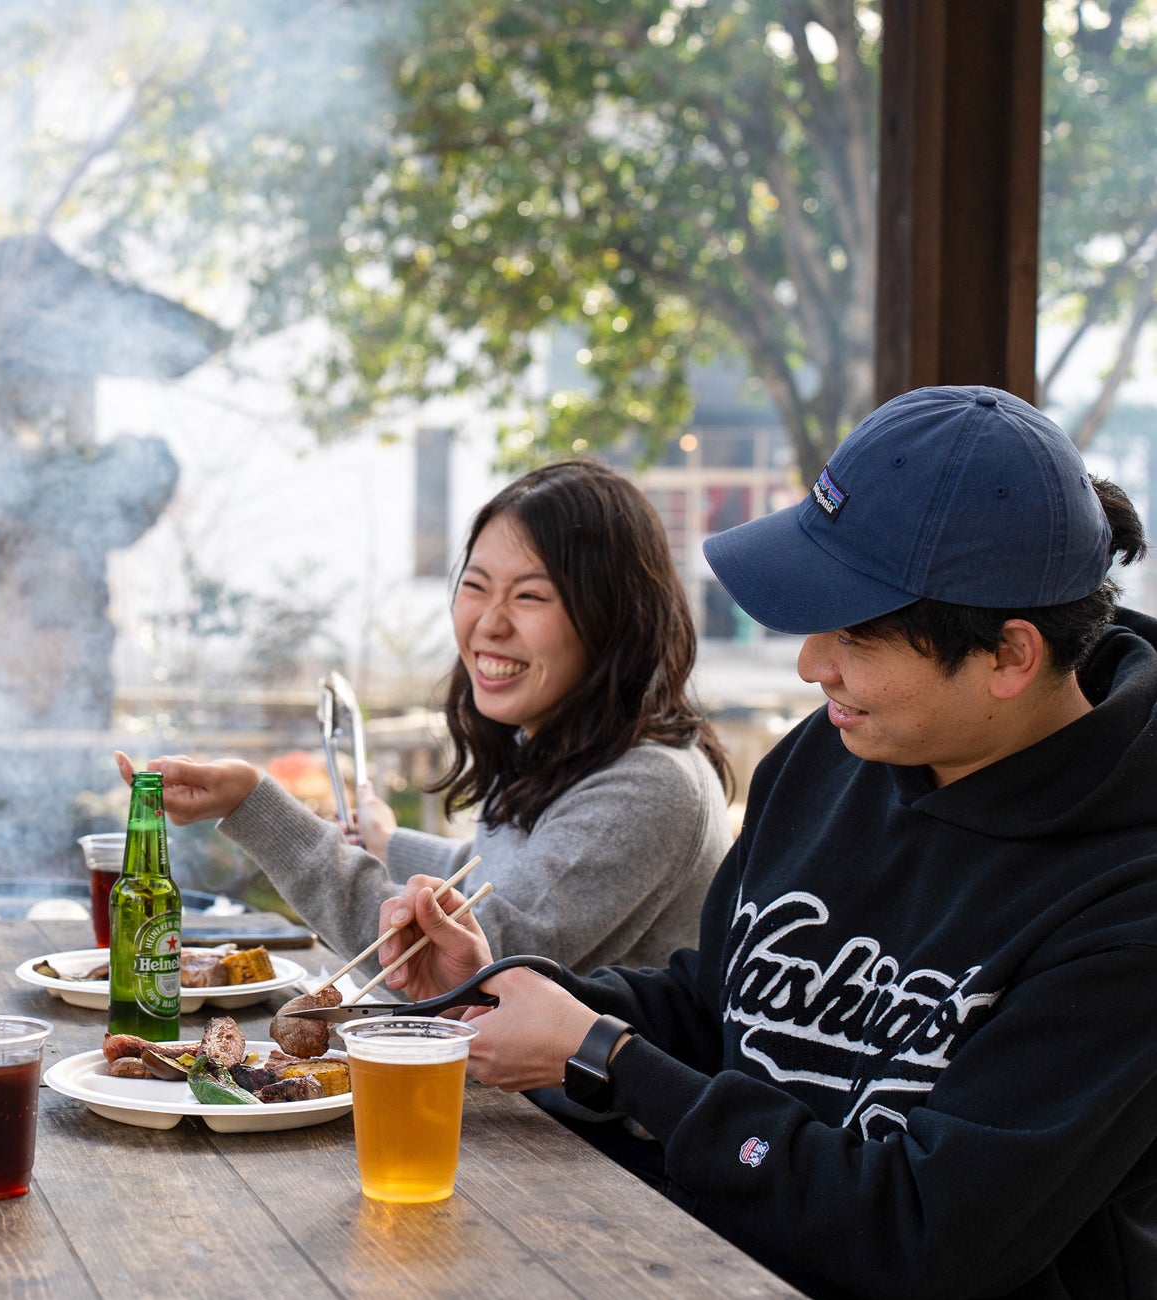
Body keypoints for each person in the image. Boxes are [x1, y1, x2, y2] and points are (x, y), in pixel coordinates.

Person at [377, 386, 1157, 1298]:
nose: (810, 663)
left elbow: (924, 1235)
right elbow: (717, 1004)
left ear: (1010, 656)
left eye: (854, 633)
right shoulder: (829, 756)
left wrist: (609, 1060)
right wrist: (510, 988)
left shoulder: (1129, 900)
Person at [125, 459, 733, 970]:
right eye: (476, 586)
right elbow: (503, 879)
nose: (488, 623)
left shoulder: (649, 787)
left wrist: (255, 806)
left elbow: (452, 963)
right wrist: (389, 843)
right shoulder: (555, 745)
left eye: (529, 595)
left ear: (614, 619)